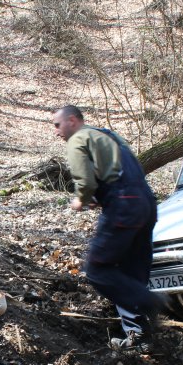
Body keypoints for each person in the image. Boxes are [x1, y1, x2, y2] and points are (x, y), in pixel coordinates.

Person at [51, 105, 163, 348]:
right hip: (146, 203)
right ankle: (140, 336)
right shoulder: (109, 135)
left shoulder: (78, 138)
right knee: (131, 273)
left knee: (98, 270)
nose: (56, 131)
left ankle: (153, 302)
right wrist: (100, 196)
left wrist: (80, 199)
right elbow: (121, 172)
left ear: (72, 120)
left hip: (124, 207)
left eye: (57, 125)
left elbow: (85, 181)